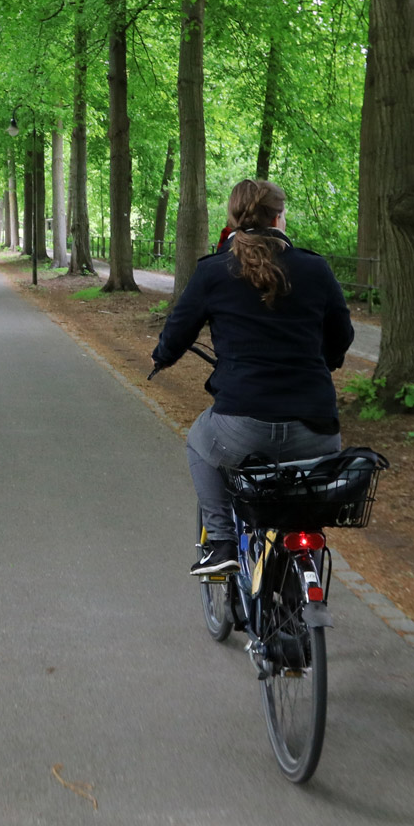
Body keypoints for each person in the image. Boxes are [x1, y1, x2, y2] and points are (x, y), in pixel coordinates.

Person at [150, 179, 353, 576]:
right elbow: (341, 338)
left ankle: (222, 542)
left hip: (241, 426)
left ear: (233, 218)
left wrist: (163, 357)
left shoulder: (214, 271)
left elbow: (177, 331)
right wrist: (321, 364)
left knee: (198, 442)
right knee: (300, 504)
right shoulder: (315, 268)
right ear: (279, 217)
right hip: (316, 427)